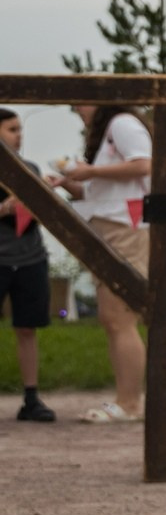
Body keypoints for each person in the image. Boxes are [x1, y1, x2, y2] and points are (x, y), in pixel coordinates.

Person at [56, 103, 153, 423]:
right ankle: (126, 400)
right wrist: (69, 183)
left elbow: (144, 165)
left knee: (119, 317)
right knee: (112, 319)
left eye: (78, 105)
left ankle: (129, 403)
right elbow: (97, 191)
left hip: (126, 226)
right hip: (110, 226)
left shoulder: (122, 124)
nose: (77, 112)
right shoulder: (113, 130)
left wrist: (90, 171)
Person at [1, 110, 56, 421]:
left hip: (31, 258)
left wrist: (46, 199)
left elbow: (45, 215)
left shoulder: (30, 170)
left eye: (20, 129)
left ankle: (31, 398)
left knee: (27, 328)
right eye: (11, 129)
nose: (19, 135)